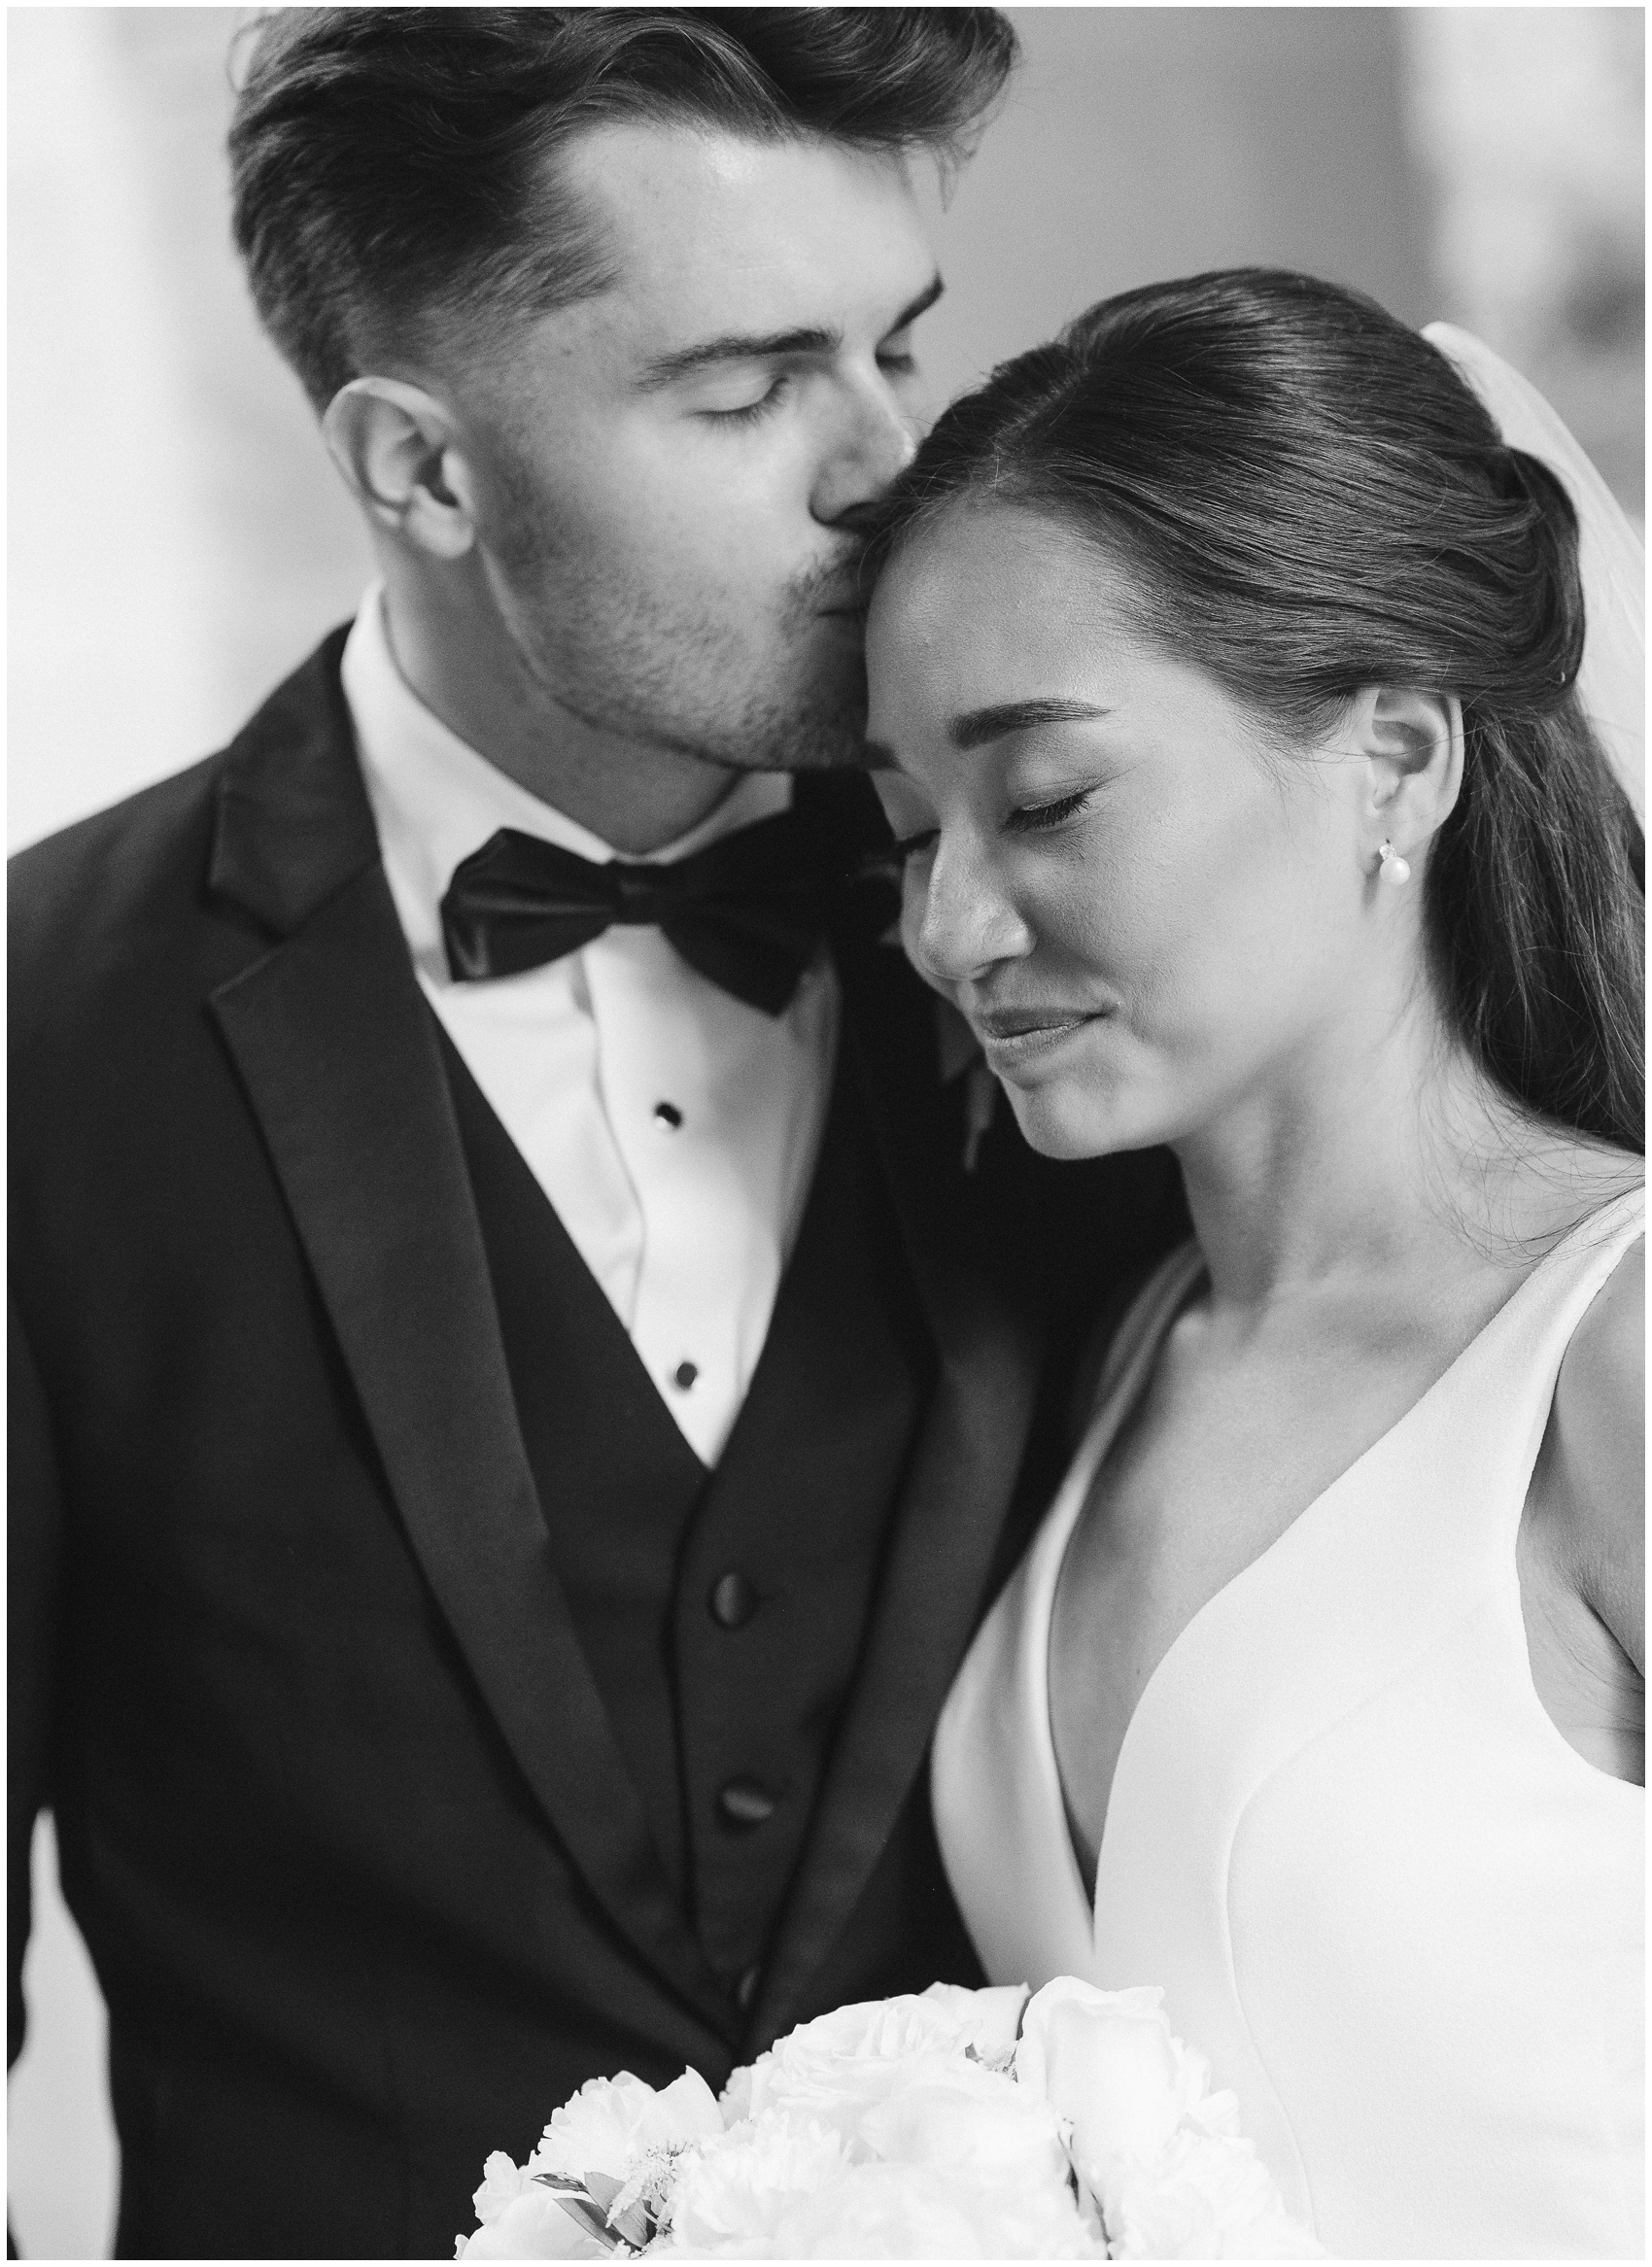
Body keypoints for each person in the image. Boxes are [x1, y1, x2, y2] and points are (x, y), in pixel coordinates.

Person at [7, 14, 1187, 2259]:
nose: (888, 467)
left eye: (899, 350)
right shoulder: (29, 1041)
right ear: (417, 469)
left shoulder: (1104, 928)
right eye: (743, 393)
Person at [863, 269, 1645, 2257]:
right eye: (905, 826)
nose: (949, 924)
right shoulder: (1112, 1354)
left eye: (1041, 797)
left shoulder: (1612, 1348)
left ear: (1390, 756)